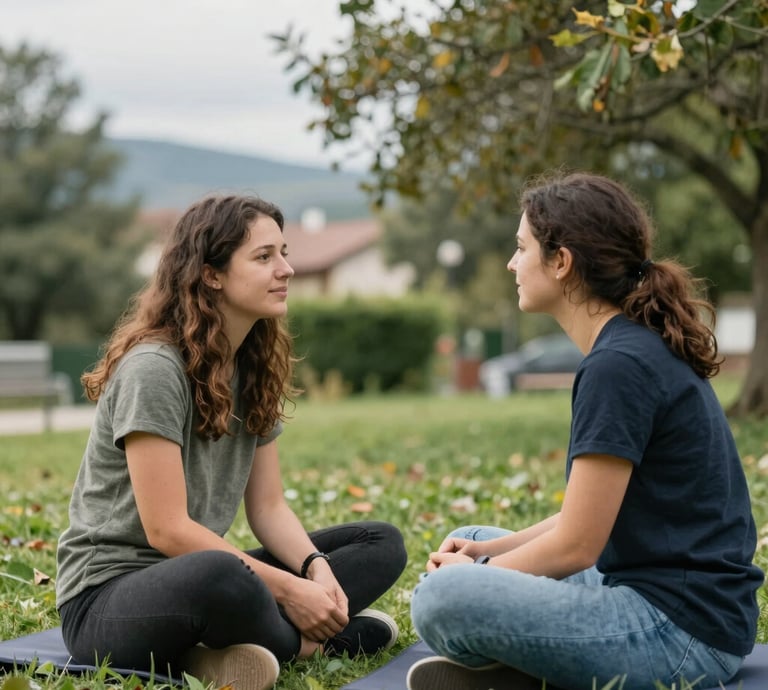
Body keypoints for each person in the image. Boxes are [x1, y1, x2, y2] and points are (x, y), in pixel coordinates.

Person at [407, 171, 764, 690]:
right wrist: (485, 558)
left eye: (521, 248)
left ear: (562, 262)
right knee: (475, 541)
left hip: (681, 633)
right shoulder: (629, 345)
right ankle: (531, 662)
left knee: (440, 597)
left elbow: (576, 547)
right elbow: (588, 515)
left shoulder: (617, 366)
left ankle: (526, 667)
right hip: (659, 593)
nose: (511, 263)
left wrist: (474, 578)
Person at [55, 194, 407, 690]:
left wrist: (316, 569)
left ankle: (217, 652)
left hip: (199, 576)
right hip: (105, 602)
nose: (286, 269)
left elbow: (268, 508)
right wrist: (290, 592)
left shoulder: (251, 368)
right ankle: (311, 644)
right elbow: (167, 531)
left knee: (380, 543)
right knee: (223, 576)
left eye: (283, 253)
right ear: (211, 274)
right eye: (264, 257)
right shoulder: (154, 369)